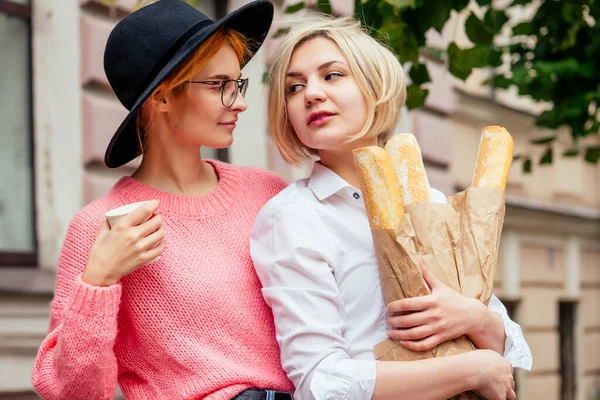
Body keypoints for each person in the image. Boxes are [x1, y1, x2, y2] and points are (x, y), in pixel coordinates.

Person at [251, 14, 532, 400]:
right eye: (294, 87)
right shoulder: (294, 217)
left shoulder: (428, 202)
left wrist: (474, 316)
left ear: (375, 84)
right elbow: (320, 382)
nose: (311, 94)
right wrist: (468, 370)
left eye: (332, 75)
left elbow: (509, 344)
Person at [31, 1, 294, 399]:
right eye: (218, 85)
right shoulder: (103, 225)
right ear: (163, 97)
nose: (239, 102)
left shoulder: (268, 193)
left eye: (236, 84)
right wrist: (99, 280)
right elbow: (74, 392)